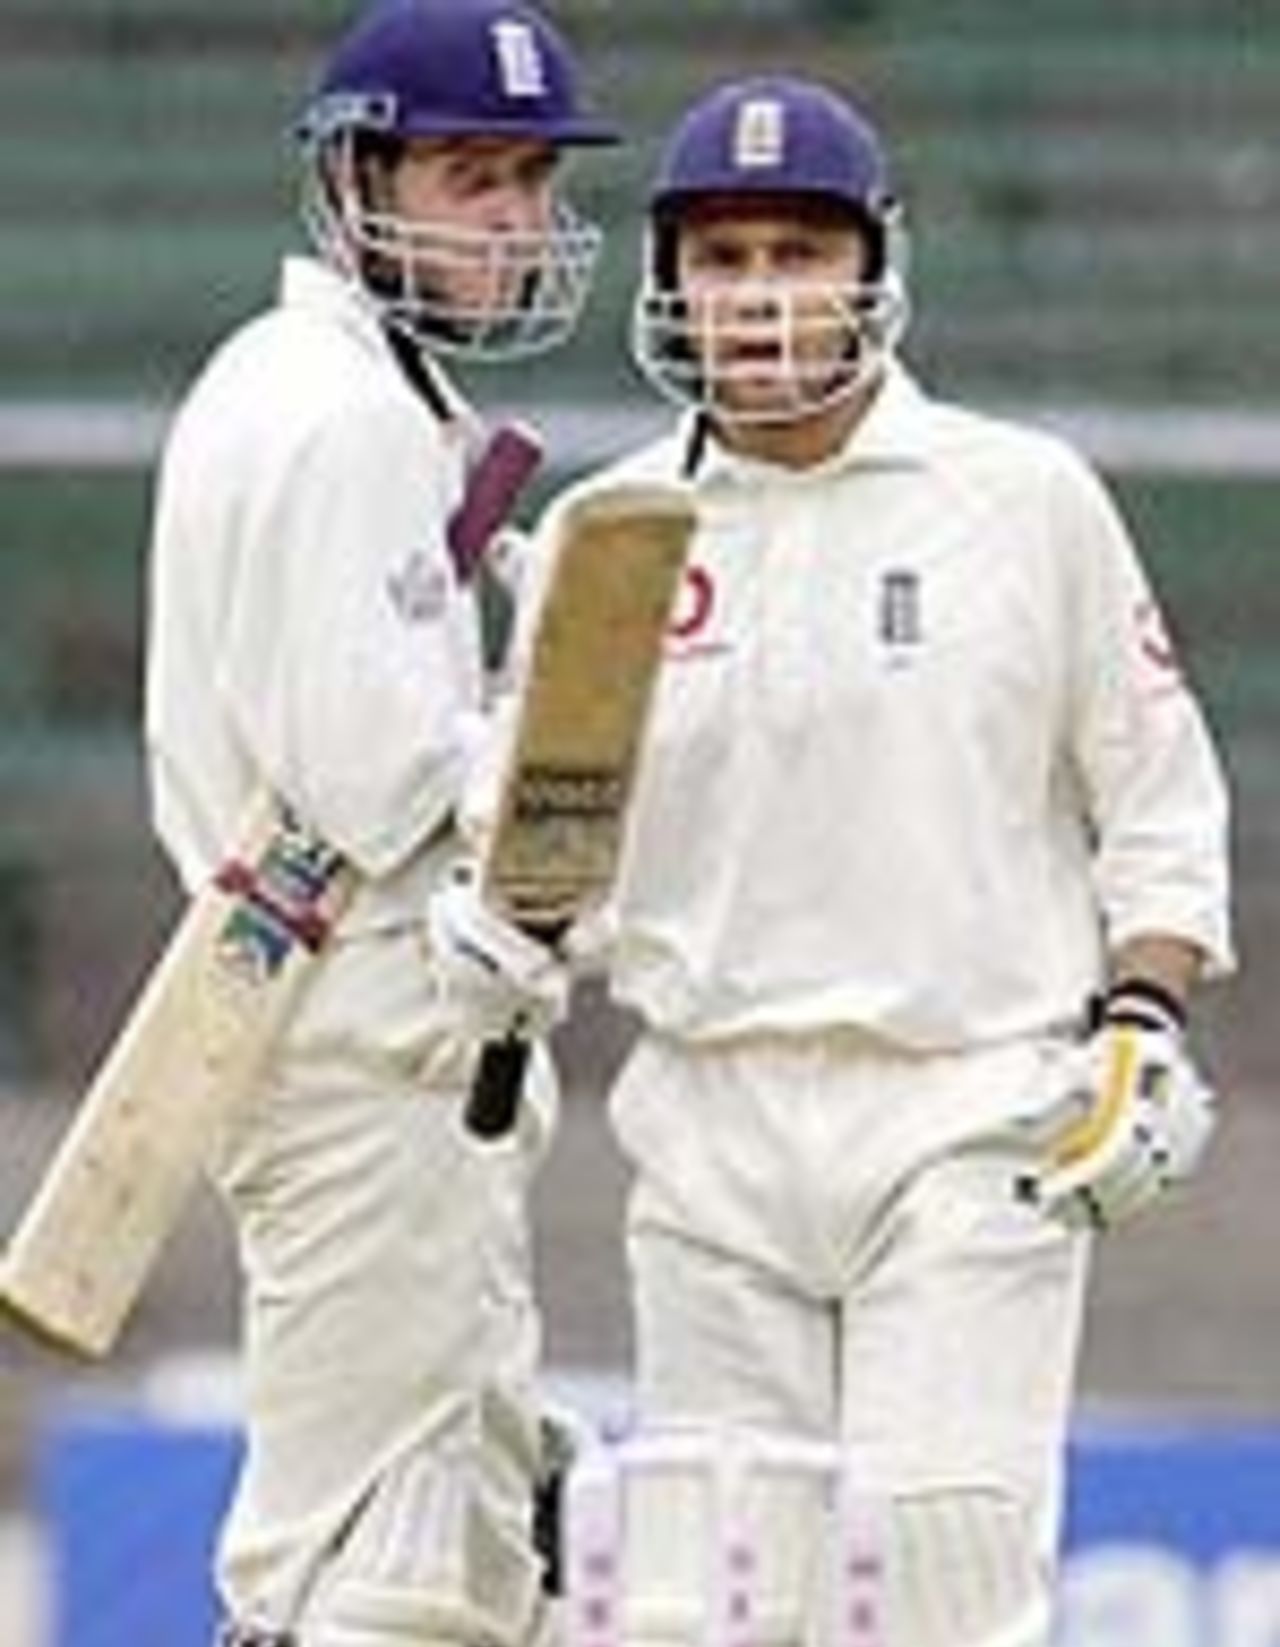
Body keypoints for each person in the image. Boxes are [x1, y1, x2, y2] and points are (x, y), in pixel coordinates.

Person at [432, 74, 1234, 1646]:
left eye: (798, 254)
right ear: (672, 286)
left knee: (941, 1588)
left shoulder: (1022, 500)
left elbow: (1160, 802)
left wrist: (1143, 1021)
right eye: (721, 260)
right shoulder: (616, 534)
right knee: (720, 1612)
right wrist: (498, 927)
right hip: (709, 1135)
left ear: (874, 269)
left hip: (970, 1111)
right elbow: (543, 875)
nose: (761, 297)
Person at [142, 2, 616, 1644]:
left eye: (534, 185)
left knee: (472, 1568)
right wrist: (564, 724)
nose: (516, 224)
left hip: (384, 1063)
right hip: (367, 1060)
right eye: (473, 180)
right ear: (355, 179)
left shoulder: (320, 386)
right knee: (378, 1578)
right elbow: (378, 779)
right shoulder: (337, 416)